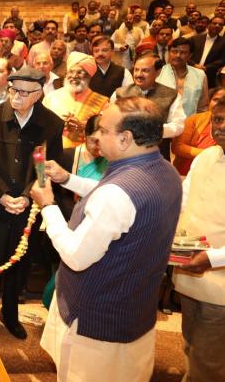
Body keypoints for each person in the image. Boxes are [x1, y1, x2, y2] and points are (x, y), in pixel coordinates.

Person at [32, 96, 182, 382]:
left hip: (98, 321)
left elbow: (76, 256)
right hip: (134, 309)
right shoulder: (166, 172)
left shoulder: (118, 193)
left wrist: (48, 206)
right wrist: (68, 179)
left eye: (103, 130)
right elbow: (113, 197)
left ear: (125, 139)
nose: (96, 136)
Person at [0, 66, 64, 338]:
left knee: (20, 263)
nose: (16, 96)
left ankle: (10, 314)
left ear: (38, 94)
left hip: (29, 208)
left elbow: (45, 167)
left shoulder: (51, 124)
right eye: (14, 90)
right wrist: (2, 195)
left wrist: (26, 196)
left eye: (25, 93)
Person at [172, 96, 225, 382]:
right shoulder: (205, 156)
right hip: (190, 271)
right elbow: (185, 204)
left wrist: (212, 259)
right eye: (218, 119)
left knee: (208, 360)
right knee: (190, 344)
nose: (221, 126)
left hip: (220, 285)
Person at [43, 52, 109, 148]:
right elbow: (40, 126)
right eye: (71, 72)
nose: (74, 76)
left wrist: (84, 127)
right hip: (53, 151)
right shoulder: (51, 98)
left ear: (89, 76)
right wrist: (60, 125)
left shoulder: (102, 102)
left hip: (84, 154)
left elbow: (106, 133)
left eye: (79, 72)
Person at [171, 87, 224, 175]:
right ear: (209, 102)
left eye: (223, 101)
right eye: (216, 99)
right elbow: (178, 147)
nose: (219, 103)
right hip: (184, 174)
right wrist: (210, 154)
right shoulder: (195, 120)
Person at [157, 37, 208, 117]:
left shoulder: (200, 75)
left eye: (183, 52)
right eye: (174, 51)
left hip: (190, 121)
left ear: (190, 55)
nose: (178, 55)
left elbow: (202, 107)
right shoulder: (158, 73)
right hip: (163, 121)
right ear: (169, 53)